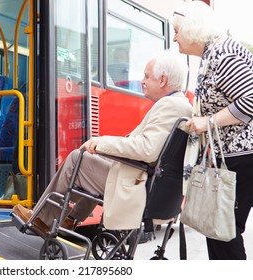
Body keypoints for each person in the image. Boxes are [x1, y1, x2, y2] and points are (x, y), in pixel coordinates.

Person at [13, 50, 192, 235]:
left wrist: (101, 142)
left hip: (139, 186)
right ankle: (69, 219)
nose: (142, 81)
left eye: (147, 76)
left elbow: (146, 150)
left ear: (162, 80)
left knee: (77, 159)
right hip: (149, 183)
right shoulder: (181, 106)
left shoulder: (169, 106)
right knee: (96, 160)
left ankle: (42, 219)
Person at [173, 1, 253, 260]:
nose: (174, 37)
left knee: (224, 231)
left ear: (192, 29)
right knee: (218, 229)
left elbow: (250, 100)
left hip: (242, 157)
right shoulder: (212, 55)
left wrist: (208, 122)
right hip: (233, 157)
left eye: (177, 30)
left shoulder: (223, 54)